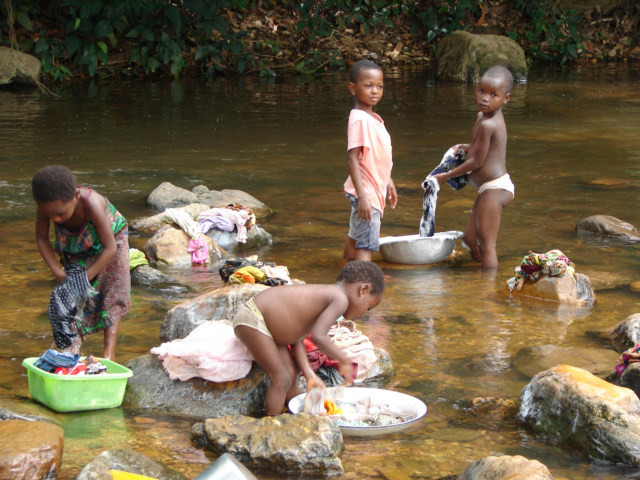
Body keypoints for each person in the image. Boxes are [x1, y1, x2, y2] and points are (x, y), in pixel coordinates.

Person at [233, 260, 385, 416]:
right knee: (281, 378)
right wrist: (344, 360)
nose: (363, 314)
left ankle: (295, 415)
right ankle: (274, 426)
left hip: (270, 328)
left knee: (293, 373)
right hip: (254, 319)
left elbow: (298, 337)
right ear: (363, 290)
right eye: (368, 308)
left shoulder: (327, 297)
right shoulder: (340, 299)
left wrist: (309, 375)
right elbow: (319, 336)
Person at [32, 165, 130, 361]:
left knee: (113, 291)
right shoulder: (48, 207)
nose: (55, 219)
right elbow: (42, 239)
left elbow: (110, 247)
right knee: (71, 299)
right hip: (75, 245)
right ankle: (71, 352)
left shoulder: (91, 203)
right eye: (51, 216)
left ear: (76, 195)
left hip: (110, 241)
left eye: (60, 214)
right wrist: (58, 271)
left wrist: (87, 276)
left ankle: (108, 354)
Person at [432, 65, 515, 269]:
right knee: (470, 240)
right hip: (487, 188)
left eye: (493, 94)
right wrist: (464, 147)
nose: (485, 98)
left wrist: (446, 175)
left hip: (495, 187)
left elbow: (477, 162)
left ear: (506, 98)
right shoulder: (481, 118)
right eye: (481, 91)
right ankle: (479, 280)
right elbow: (481, 150)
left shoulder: (490, 124)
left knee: (487, 244)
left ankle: (487, 293)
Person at [343, 59, 398, 262]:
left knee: (355, 236)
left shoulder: (373, 118)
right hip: (366, 193)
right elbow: (352, 160)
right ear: (352, 88)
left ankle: (347, 268)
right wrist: (364, 197)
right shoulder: (359, 120)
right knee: (367, 243)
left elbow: (376, 156)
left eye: (379, 86)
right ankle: (364, 279)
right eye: (368, 86)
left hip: (371, 188)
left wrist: (388, 181)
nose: (375, 91)